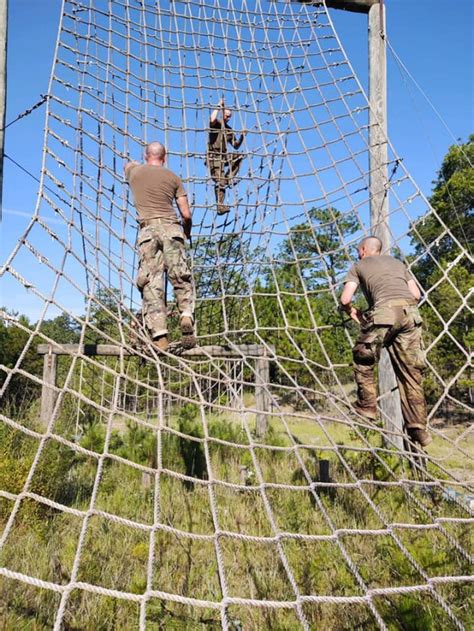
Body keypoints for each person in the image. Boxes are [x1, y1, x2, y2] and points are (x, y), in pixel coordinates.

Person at [340, 236, 431, 448]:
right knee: (411, 373)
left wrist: (353, 312)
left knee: (363, 358)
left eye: (358, 250)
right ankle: (418, 426)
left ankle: (367, 406)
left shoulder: (358, 265)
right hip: (410, 315)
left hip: (383, 314)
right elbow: (416, 295)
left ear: (363, 250)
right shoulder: (398, 263)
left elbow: (345, 299)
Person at [124, 141, 195, 352]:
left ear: (146, 156)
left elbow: (128, 165)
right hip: (172, 229)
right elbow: (186, 214)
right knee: (180, 275)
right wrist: (187, 231)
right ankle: (186, 315)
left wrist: (136, 163)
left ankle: (159, 333)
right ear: (165, 158)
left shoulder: (134, 173)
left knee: (151, 282)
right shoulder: (173, 178)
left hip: (148, 231)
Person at [207, 98, 246, 215]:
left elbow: (235, 146)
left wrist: (242, 137)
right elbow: (212, 119)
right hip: (214, 156)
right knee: (220, 181)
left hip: (224, 156)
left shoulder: (229, 130)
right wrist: (219, 106)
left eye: (229, 116)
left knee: (239, 156)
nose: (227, 118)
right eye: (226, 115)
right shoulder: (216, 124)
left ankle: (229, 178)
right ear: (222, 114)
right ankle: (220, 205)